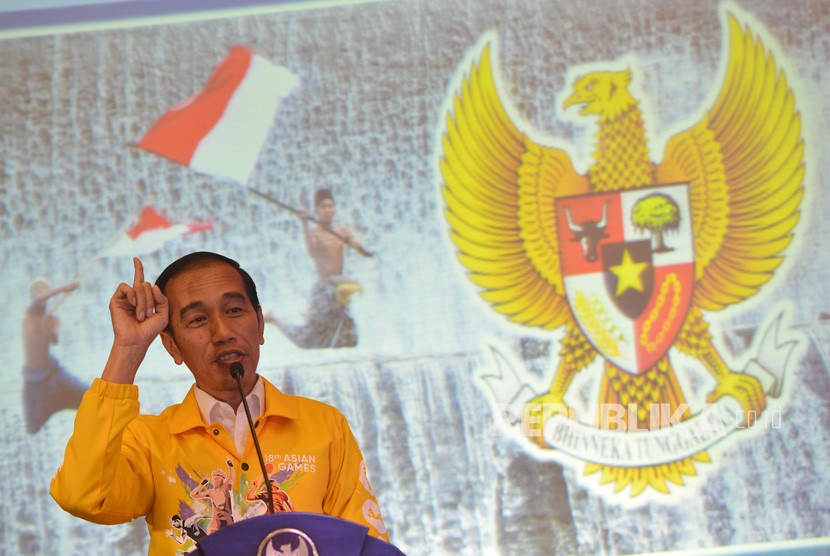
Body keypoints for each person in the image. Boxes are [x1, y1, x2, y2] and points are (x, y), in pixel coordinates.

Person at [50, 252, 389, 554]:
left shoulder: (324, 426)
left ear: (259, 324)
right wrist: (128, 349)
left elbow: (365, 546)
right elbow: (83, 495)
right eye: (197, 319)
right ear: (172, 346)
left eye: (234, 310)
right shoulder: (149, 440)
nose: (222, 331)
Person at [269, 189, 370, 348]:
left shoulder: (342, 231)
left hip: (340, 288)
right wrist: (303, 223)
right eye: (323, 207)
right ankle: (275, 319)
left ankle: (309, 314)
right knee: (306, 342)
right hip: (324, 289)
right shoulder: (314, 233)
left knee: (350, 340)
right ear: (316, 211)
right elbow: (311, 251)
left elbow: (365, 252)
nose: (328, 210)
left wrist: (357, 245)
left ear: (335, 209)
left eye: (330, 206)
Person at [23, 278, 86, 434]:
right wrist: (64, 287)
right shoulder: (31, 314)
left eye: (44, 289)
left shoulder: (48, 317)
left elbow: (54, 340)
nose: (40, 293)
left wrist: (51, 327)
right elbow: (39, 299)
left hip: (53, 372)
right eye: (37, 290)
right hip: (34, 379)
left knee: (90, 395)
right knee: (32, 428)